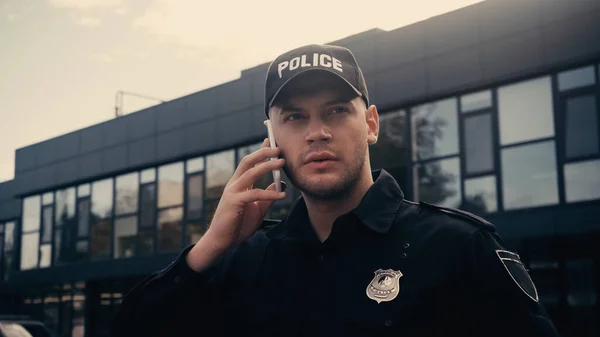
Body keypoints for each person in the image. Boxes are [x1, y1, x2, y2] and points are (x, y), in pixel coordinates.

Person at [113, 44, 560, 337]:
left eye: (336, 111)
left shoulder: (459, 247)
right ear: (271, 138)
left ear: (370, 124)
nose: (317, 133)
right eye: (295, 117)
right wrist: (210, 247)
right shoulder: (243, 260)